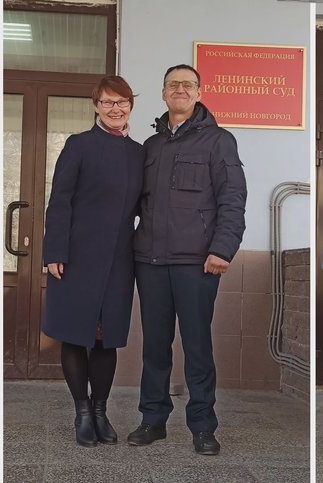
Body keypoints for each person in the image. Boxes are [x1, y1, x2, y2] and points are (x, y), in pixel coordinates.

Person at [127, 64, 246, 456]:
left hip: (198, 262)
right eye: (172, 84)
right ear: (163, 93)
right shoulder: (150, 146)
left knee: (197, 345)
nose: (179, 89)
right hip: (151, 261)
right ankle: (153, 419)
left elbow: (232, 199)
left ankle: (202, 425)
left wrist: (222, 249)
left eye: (187, 84)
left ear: (199, 92)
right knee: (155, 346)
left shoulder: (218, 141)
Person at [42, 75, 143, 447]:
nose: (115, 109)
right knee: (74, 334)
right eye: (107, 102)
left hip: (119, 258)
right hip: (76, 256)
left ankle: (101, 412)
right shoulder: (79, 145)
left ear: (131, 105)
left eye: (122, 102)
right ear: (96, 106)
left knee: (107, 339)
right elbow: (60, 201)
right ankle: (82, 412)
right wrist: (54, 252)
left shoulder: (139, 152)